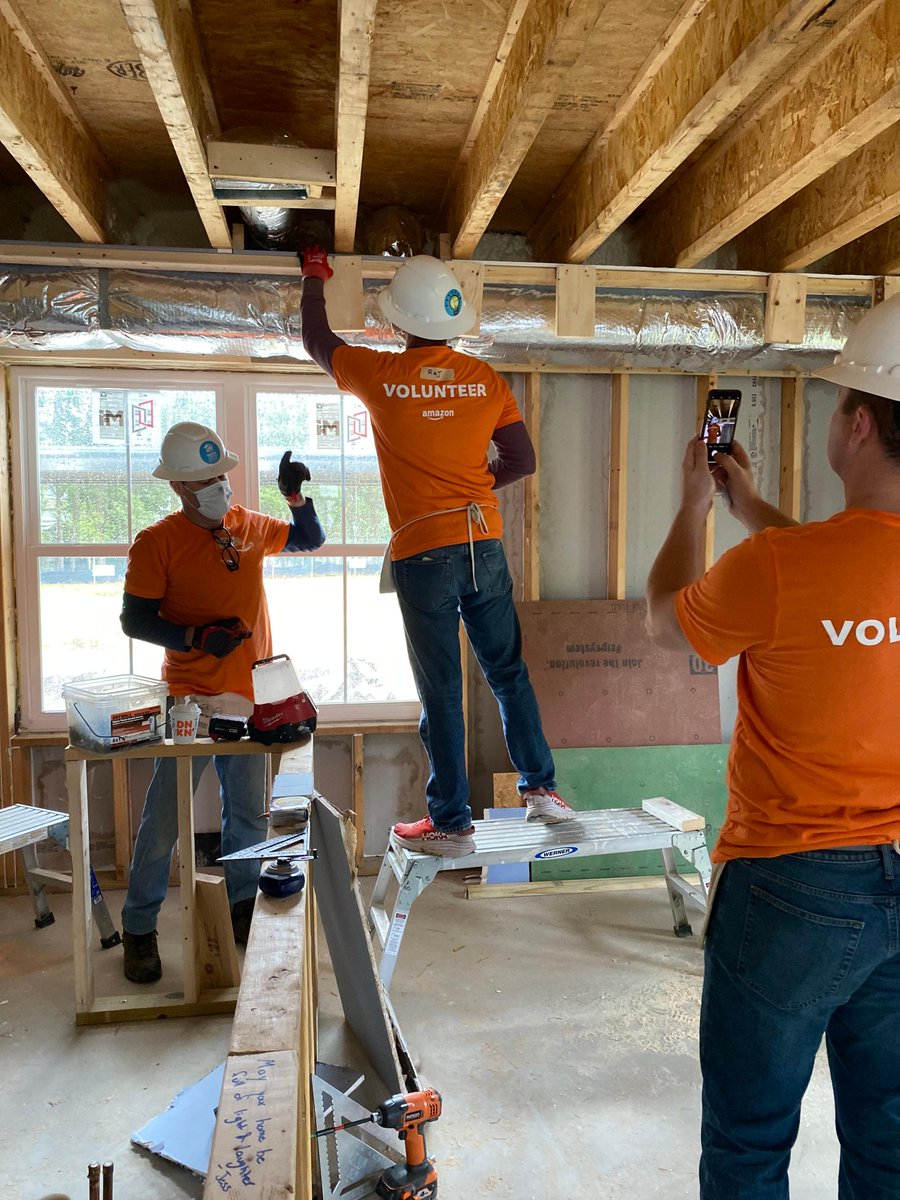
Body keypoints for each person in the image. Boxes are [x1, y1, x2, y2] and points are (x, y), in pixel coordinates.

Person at [645, 293, 900, 1199]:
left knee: (751, 1141)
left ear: (859, 423)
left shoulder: (781, 570)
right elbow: (862, 579)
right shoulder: (799, 560)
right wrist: (751, 503)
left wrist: (696, 508)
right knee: (890, 1140)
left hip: (794, 881)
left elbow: (668, 616)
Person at [299, 248, 572, 857]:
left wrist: (314, 276)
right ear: (452, 320)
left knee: (442, 691)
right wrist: (471, 488)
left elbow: (316, 340)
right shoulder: (486, 381)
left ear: (399, 324)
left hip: (423, 553)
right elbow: (522, 461)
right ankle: (542, 789)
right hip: (483, 541)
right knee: (507, 671)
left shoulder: (379, 375)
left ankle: (451, 823)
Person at [119, 422, 326, 983]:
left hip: (251, 698)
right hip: (191, 703)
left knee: (247, 815)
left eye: (221, 476)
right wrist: (195, 638)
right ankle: (139, 929)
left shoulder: (246, 525)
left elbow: (309, 540)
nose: (218, 487)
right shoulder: (156, 543)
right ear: (178, 488)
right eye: (203, 480)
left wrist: (296, 499)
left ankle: (242, 907)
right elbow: (133, 619)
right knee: (164, 821)